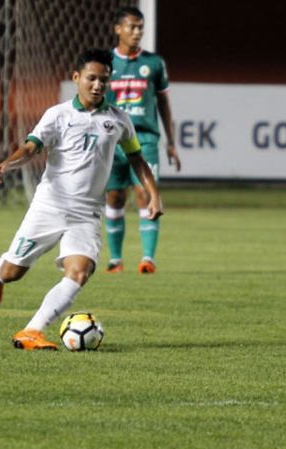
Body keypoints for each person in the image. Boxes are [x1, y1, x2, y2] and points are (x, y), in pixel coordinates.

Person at [0, 48, 163, 351]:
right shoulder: (57, 115)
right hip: (49, 207)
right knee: (15, 272)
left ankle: (32, 331)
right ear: (76, 78)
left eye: (104, 80)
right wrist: (6, 164)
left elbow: (137, 159)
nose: (97, 85)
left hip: (87, 214)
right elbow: (30, 148)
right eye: (91, 79)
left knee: (80, 271)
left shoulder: (118, 120)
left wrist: (154, 195)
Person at [104, 6, 180, 274]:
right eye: (132, 27)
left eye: (140, 28)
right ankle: (115, 260)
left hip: (145, 138)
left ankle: (148, 258)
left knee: (144, 193)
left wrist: (171, 141)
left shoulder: (154, 63)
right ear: (118, 29)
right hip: (112, 139)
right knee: (114, 196)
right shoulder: (106, 64)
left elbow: (163, 102)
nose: (137, 32)